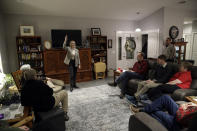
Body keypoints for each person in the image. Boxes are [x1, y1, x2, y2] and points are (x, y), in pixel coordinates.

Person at [130, 95, 197, 131]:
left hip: (180, 124)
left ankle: (142, 110)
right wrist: (190, 106)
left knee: (155, 111)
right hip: (184, 115)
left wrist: (184, 108)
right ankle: (145, 109)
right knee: (166, 98)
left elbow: (184, 119)